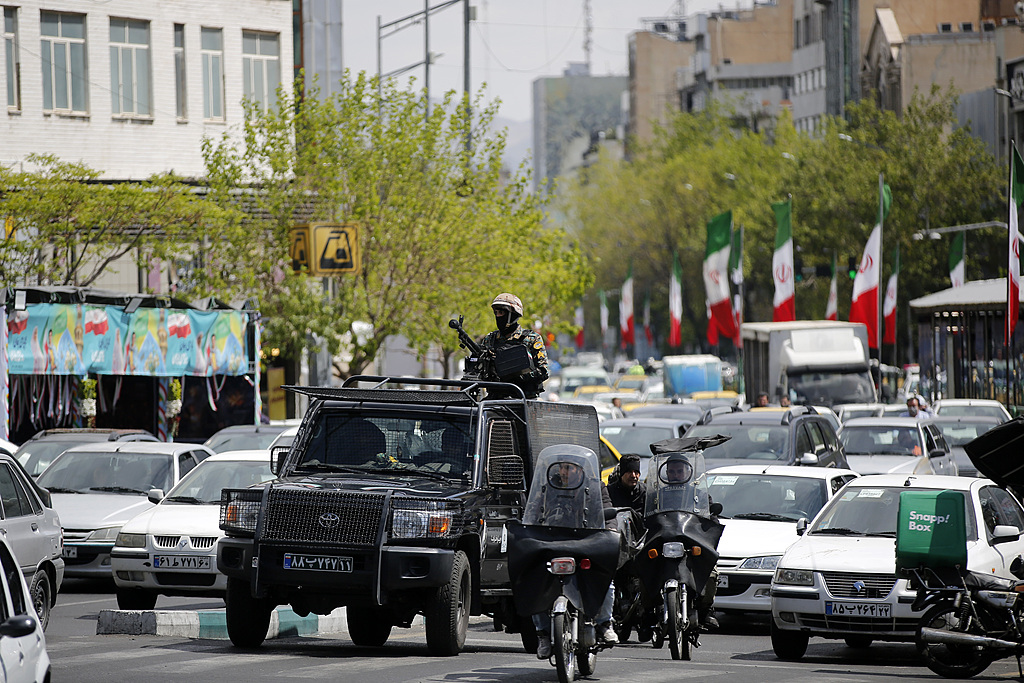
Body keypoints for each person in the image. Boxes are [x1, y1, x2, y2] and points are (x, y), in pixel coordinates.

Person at [478, 292, 549, 398]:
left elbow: (543, 371)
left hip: (523, 399)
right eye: (496, 313)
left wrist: (514, 375)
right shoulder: (490, 339)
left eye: (501, 312)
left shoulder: (531, 339)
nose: (498, 316)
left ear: (513, 315)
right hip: (495, 398)